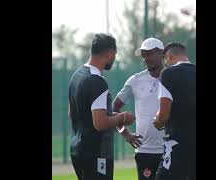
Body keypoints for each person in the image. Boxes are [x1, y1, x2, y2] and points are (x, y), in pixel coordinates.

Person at [68, 33, 135, 180]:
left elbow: (71, 112)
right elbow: (99, 123)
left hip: (77, 150)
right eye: (115, 54)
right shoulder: (97, 81)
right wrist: (123, 117)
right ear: (109, 54)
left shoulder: (77, 75)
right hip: (96, 153)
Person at [112, 38, 165, 180]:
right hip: (144, 151)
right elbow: (113, 108)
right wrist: (125, 133)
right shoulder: (135, 80)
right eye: (143, 55)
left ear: (161, 53)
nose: (145, 59)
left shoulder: (173, 78)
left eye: (149, 54)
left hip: (170, 149)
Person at [153, 42, 196, 180]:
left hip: (177, 145)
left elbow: (163, 116)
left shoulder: (168, 73)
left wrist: (157, 120)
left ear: (169, 56)